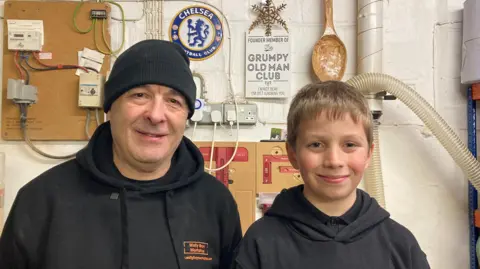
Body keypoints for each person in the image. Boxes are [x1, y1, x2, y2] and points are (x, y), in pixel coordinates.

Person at [0, 40, 242, 269]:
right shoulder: (41, 201)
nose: (156, 115)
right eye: (140, 95)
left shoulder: (215, 203)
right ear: (110, 108)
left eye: (174, 101)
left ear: (186, 117)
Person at [232, 81, 430, 269]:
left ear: (369, 154)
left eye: (350, 145)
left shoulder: (401, 245)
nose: (334, 161)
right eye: (316, 145)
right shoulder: (260, 242)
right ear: (293, 154)